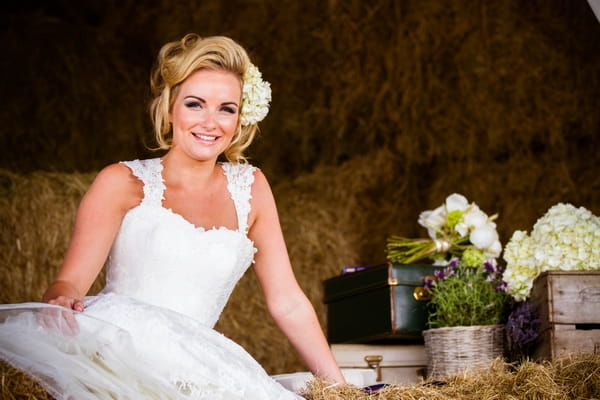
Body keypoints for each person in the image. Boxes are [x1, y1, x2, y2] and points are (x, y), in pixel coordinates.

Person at [0, 33, 345, 399]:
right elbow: (68, 284)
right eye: (195, 104)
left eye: (226, 108)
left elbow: (287, 301)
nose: (210, 122)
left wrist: (338, 389)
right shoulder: (120, 182)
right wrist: (60, 301)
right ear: (169, 109)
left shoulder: (253, 188)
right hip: (117, 347)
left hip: (198, 363)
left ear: (240, 118)